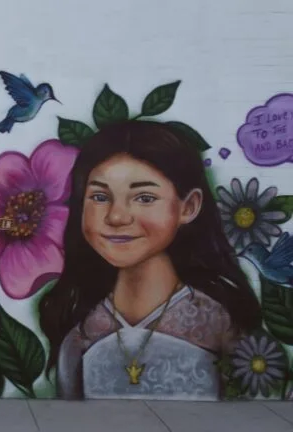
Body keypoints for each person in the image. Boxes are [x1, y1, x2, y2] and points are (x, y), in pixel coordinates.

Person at [38, 120, 261, 400]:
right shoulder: (81, 332)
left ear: (189, 206)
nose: (116, 217)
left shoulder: (219, 322)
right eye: (98, 196)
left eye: (144, 197)